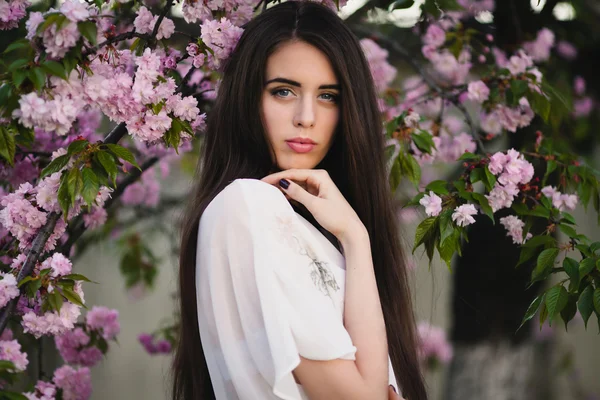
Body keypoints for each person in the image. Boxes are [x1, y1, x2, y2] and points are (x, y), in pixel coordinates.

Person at [172, 1, 428, 399]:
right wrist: (357, 240)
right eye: (283, 91)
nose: (306, 117)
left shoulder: (300, 223)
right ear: (247, 99)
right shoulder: (248, 206)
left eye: (328, 96)